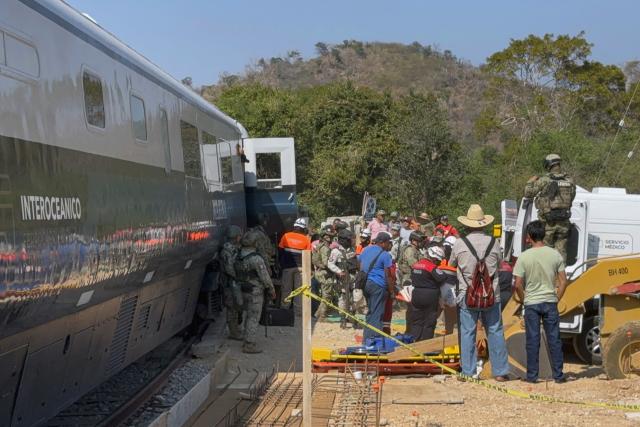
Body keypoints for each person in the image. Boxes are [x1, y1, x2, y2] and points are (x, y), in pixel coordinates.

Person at [449, 204, 510, 381]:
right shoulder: (494, 242)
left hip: (467, 295)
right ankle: (500, 372)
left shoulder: (460, 244)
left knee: (468, 332)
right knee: (495, 331)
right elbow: (499, 265)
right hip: (492, 295)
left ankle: (468, 372)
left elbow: (452, 264)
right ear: (484, 224)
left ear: (468, 225)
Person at [513, 220, 568, 383]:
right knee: (554, 339)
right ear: (543, 235)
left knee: (532, 339)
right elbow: (564, 281)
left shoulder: (524, 257)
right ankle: (558, 376)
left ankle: (532, 376)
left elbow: (517, 284)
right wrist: (556, 298)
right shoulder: (555, 254)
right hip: (550, 301)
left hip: (531, 303)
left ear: (529, 237)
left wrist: (524, 300)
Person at [524, 153, 576, 261]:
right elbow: (571, 198)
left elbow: (528, 193)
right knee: (561, 252)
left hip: (548, 223)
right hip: (564, 223)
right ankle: (560, 276)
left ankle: (548, 276)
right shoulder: (569, 181)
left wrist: (530, 181)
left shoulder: (545, 180)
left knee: (546, 252)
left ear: (548, 165)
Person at [234, 232, 277, 353]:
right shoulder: (256, 259)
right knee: (253, 317)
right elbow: (265, 277)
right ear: (255, 243)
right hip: (255, 291)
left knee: (245, 315)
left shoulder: (238, 256)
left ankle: (243, 336)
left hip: (240, 289)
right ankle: (249, 344)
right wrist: (271, 290)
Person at [359, 231, 395, 340]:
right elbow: (388, 275)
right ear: (383, 243)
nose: (389, 245)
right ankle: (375, 340)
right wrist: (391, 291)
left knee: (370, 312)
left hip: (366, 284)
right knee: (377, 314)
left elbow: (360, 265)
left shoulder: (365, 250)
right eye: (388, 243)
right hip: (378, 286)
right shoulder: (385, 255)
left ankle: (367, 338)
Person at [407, 245, 447, 341]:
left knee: (416, 321)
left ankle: (414, 343)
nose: (439, 263)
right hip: (429, 296)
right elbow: (442, 277)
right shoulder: (431, 267)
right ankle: (426, 345)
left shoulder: (416, 265)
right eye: (438, 261)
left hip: (416, 294)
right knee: (429, 321)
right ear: (434, 258)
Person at [278, 218, 312, 310]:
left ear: (294, 226)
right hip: (301, 268)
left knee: (286, 289)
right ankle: (298, 310)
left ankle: (285, 308)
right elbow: (308, 255)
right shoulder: (306, 239)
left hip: (287, 268)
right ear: (303, 228)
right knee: (299, 290)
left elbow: (280, 252)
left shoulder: (286, 236)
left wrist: (281, 264)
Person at [328, 229, 358, 328]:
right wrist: (339, 271)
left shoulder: (352, 250)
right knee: (343, 298)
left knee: (355, 298)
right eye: (349, 239)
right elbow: (330, 264)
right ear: (343, 240)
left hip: (353, 278)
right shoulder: (335, 251)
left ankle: (352, 316)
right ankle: (343, 318)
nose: (351, 241)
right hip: (342, 279)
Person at [220, 225, 244, 340]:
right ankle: (233, 333)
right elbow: (229, 268)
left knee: (236, 306)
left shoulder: (231, 248)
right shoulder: (228, 250)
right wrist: (238, 277)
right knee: (232, 308)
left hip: (233, 282)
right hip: (230, 283)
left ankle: (235, 330)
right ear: (236, 237)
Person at [312, 226, 335, 321]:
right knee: (327, 295)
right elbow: (326, 263)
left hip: (319, 272)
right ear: (324, 237)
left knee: (325, 295)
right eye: (329, 236)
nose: (331, 238)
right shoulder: (325, 248)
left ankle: (318, 314)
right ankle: (322, 316)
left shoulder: (320, 246)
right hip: (324, 273)